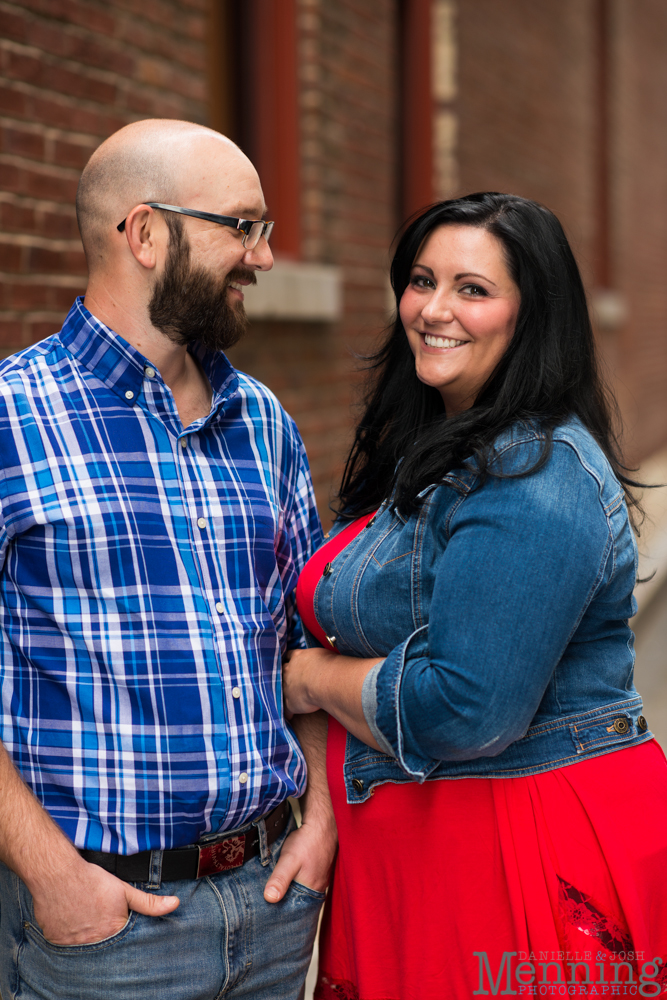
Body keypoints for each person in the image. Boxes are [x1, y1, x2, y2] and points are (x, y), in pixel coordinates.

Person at [283, 193, 667, 1000]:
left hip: (515, 847)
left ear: (531, 316)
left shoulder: (534, 476)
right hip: (420, 841)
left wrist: (311, 678)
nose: (434, 309)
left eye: (472, 289)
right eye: (421, 281)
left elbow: (466, 708)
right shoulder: (439, 447)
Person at [0, 119, 336, 1000]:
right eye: (243, 226)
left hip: (273, 904)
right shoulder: (10, 418)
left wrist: (323, 823)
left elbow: (307, 641)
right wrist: (55, 879)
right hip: (104, 931)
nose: (263, 257)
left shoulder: (262, 421)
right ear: (146, 234)